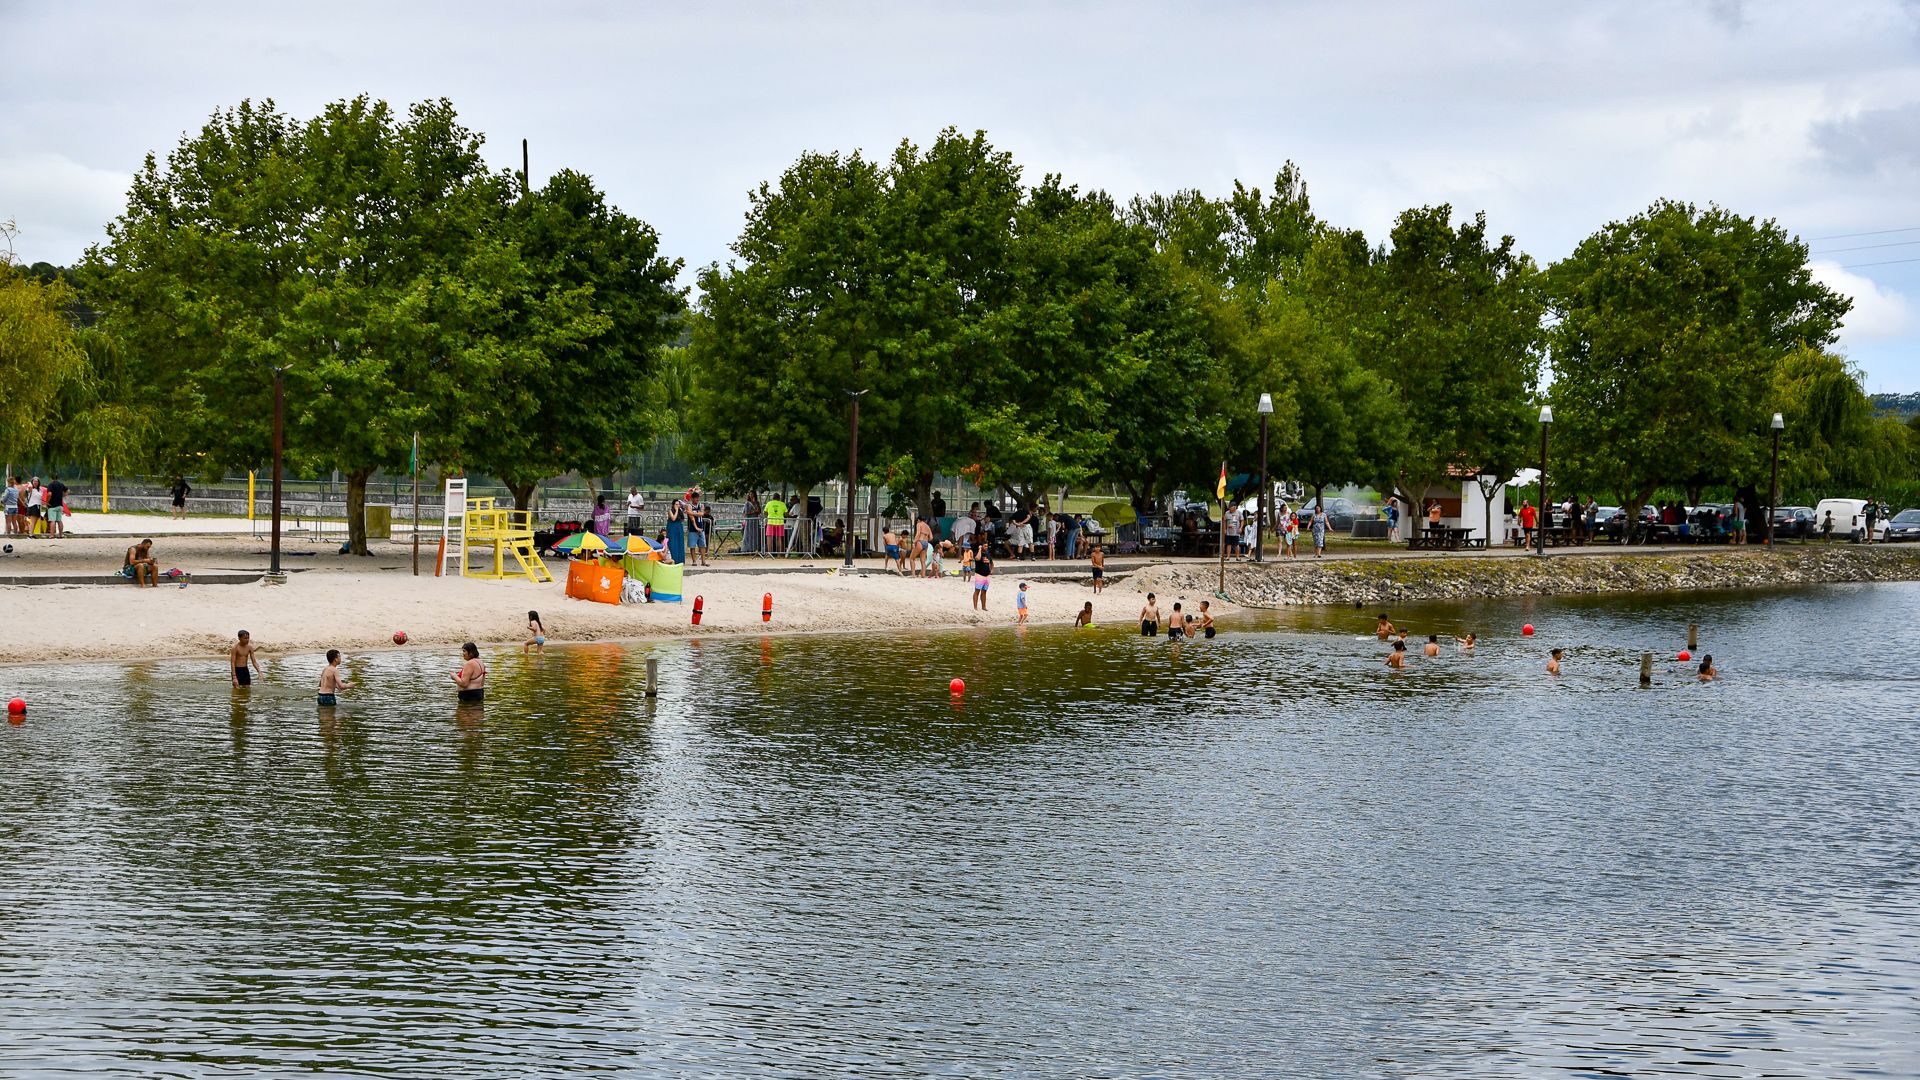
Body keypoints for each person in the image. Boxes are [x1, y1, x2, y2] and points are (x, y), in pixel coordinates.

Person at [666, 492, 688, 564]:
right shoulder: (670, 511)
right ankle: (673, 558)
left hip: (679, 527)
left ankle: (680, 559)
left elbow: (682, 519)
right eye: (676, 504)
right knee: (673, 542)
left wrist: (681, 509)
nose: (677, 505)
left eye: (678, 504)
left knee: (679, 542)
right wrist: (676, 510)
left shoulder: (680, 511)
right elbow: (673, 518)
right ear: (673, 505)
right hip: (672, 527)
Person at [44, 474, 67, 538]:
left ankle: (52, 535)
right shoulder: (61, 484)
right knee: (59, 520)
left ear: (51, 478)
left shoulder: (51, 485)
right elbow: (67, 490)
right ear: (57, 478)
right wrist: (63, 496)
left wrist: (47, 502)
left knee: (52, 520)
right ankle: (60, 535)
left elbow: (49, 494)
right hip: (60, 505)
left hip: (52, 506)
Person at [972, 546, 993, 611]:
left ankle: (983, 607)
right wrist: (980, 549)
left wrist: (992, 570)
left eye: (987, 546)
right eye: (985, 546)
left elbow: (991, 562)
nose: (986, 547)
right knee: (977, 591)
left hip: (987, 576)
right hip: (979, 575)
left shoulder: (988, 553)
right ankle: (975, 607)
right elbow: (977, 558)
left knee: (984, 592)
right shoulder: (977, 553)